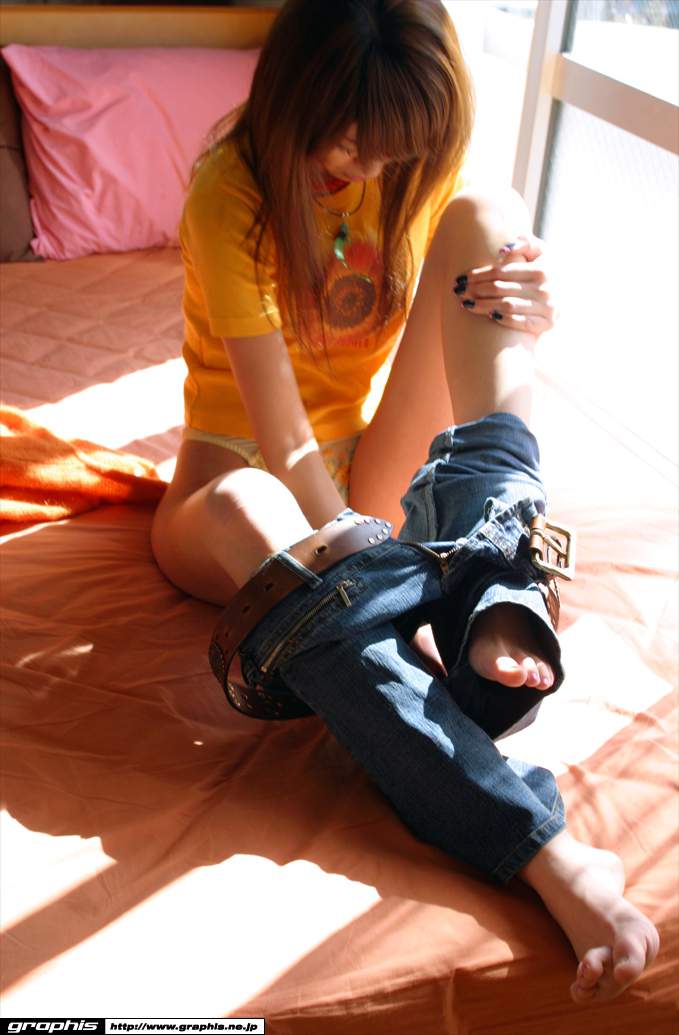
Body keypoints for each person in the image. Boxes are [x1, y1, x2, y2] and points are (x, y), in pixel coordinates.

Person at [150, 0, 659, 1004]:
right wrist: (364, 551)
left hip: (363, 473)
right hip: (237, 481)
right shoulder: (229, 189)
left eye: (392, 150)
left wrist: (528, 305)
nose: (371, 168)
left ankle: (498, 572)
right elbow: (284, 442)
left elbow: (467, 293)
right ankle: (540, 844)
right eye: (350, 142)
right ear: (293, 97)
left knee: (489, 217)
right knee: (263, 514)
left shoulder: (407, 160)